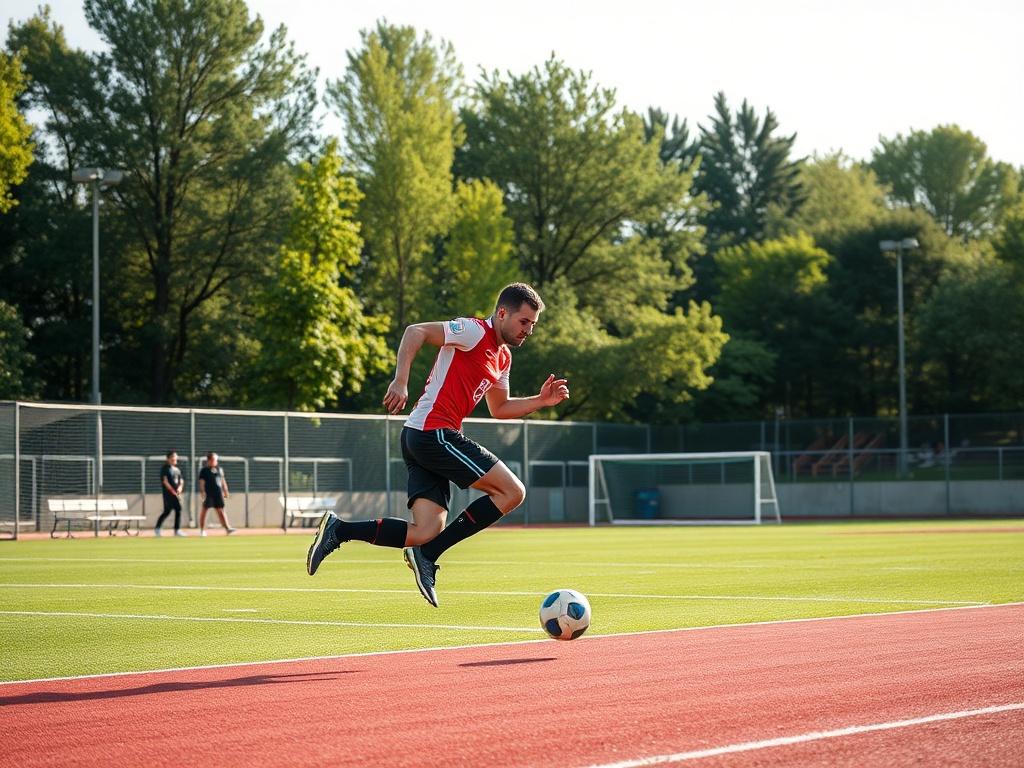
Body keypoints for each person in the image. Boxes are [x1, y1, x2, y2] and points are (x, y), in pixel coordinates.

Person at [306, 282, 569, 607]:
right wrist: (400, 380)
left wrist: (541, 402)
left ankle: (339, 530)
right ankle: (427, 556)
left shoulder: (503, 358)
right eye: (523, 321)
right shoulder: (473, 331)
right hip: (433, 433)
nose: (528, 330)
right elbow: (415, 331)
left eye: (532, 325)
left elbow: (499, 408)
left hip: (422, 438)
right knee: (513, 492)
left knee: (426, 529)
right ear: (502, 313)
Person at [198, 452, 236, 536]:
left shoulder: (219, 470)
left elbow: (222, 480)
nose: (216, 462)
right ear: (209, 460)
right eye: (214, 460)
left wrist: (225, 490)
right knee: (205, 510)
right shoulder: (204, 471)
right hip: (209, 494)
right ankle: (202, 530)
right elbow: (202, 482)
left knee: (221, 511)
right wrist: (203, 491)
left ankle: (227, 528)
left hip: (218, 494)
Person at [154, 450, 186, 537]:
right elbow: (165, 481)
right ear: (168, 458)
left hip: (176, 493)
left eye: (175, 457)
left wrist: (180, 488)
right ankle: (157, 529)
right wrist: (172, 491)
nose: (175, 458)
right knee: (167, 511)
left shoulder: (177, 470)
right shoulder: (165, 469)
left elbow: (181, 480)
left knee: (178, 509)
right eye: (173, 456)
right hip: (168, 494)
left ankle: (177, 530)